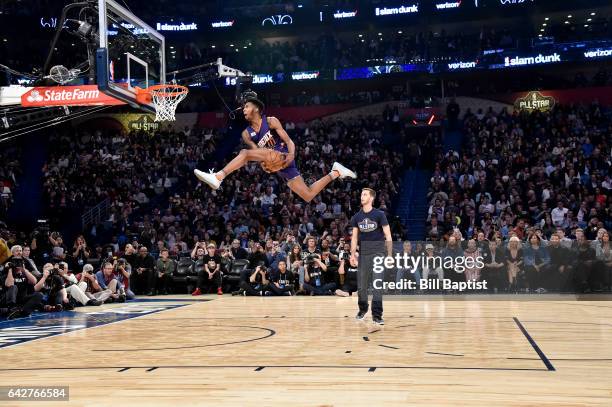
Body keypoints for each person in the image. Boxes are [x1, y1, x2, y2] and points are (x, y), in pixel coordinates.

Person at [194, 97, 357, 202]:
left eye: (247, 106)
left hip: (284, 155)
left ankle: (218, 176)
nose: (244, 109)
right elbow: (256, 154)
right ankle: (335, 172)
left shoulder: (271, 121)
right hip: (274, 162)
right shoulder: (246, 134)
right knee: (307, 195)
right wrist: (265, 168)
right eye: (243, 107)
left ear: (256, 108)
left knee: (244, 153)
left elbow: (289, 141)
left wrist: (291, 155)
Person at [350, 188, 392, 325]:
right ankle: (363, 309)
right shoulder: (356, 217)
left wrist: (390, 255)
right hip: (363, 254)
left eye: (365, 194)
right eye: (361, 194)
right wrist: (352, 255)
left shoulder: (379, 214)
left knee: (377, 285)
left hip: (378, 254)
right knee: (362, 287)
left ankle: (377, 315)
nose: (362, 196)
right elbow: (354, 238)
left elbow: (388, 235)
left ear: (371, 198)